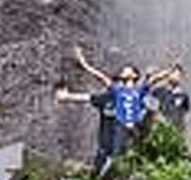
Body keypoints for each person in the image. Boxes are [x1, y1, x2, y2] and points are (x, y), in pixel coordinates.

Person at [56, 47, 154, 176]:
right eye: (118, 82)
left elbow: (146, 117)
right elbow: (87, 97)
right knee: (100, 172)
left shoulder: (135, 101)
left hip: (125, 152)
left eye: (121, 82)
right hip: (104, 151)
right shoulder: (106, 98)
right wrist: (67, 96)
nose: (119, 85)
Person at [147, 63, 191, 132]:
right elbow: (146, 92)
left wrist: (182, 128)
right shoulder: (159, 91)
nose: (175, 77)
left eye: (178, 75)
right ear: (168, 75)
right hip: (160, 129)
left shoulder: (183, 96)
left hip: (175, 130)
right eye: (173, 73)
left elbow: (184, 113)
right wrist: (156, 77)